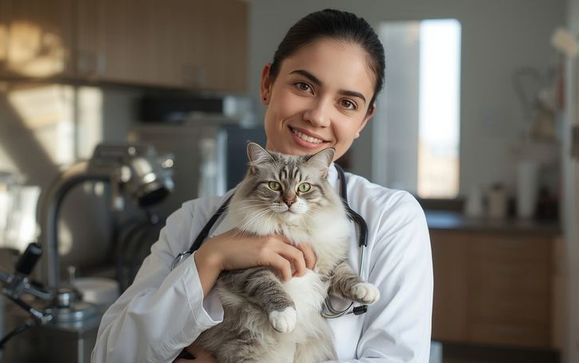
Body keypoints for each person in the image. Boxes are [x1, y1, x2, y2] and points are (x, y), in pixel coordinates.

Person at [92, 8, 433, 363]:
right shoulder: (192, 221)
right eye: (304, 86)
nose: (317, 116)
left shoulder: (392, 218)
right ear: (267, 84)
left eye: (346, 103)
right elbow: (109, 354)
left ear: (364, 119)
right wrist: (211, 259)